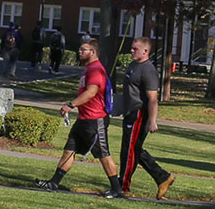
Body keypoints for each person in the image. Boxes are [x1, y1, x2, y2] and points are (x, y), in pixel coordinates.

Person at [36, 38, 122, 198]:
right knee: (69, 150)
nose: (80, 52)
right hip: (83, 119)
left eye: (84, 49)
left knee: (103, 154)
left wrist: (71, 104)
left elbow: (91, 93)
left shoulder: (96, 70)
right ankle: (54, 183)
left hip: (96, 120)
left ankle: (116, 189)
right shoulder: (89, 69)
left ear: (93, 52)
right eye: (80, 49)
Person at [118, 37, 175, 199]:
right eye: (131, 48)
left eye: (135, 49)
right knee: (134, 149)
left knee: (128, 151)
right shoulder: (133, 65)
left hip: (139, 114)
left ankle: (123, 186)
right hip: (129, 112)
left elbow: (152, 99)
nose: (131, 50)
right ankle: (163, 177)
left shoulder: (148, 70)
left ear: (145, 51)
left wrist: (152, 120)